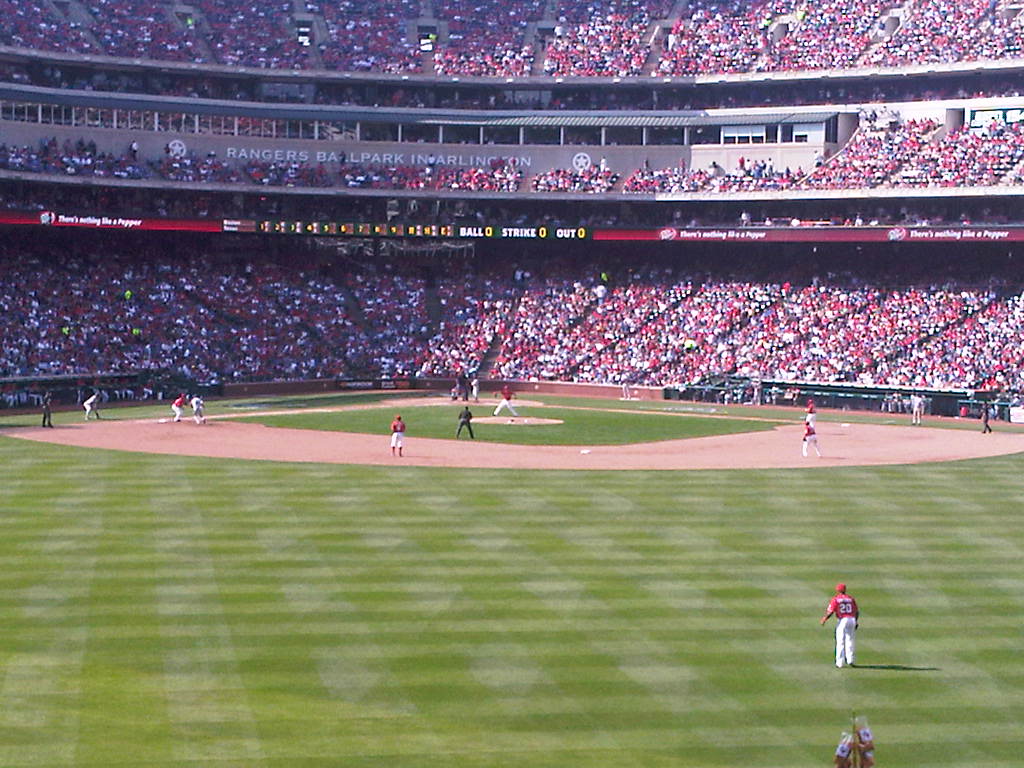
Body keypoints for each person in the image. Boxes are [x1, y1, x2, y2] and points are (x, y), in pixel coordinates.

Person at [820, 582, 859, 668]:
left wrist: (824, 618)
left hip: (843, 620)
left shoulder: (836, 599)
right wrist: (856, 622)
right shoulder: (851, 599)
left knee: (840, 641)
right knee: (850, 640)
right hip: (851, 619)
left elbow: (831, 611)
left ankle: (840, 662)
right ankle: (850, 659)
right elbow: (856, 611)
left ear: (838, 590)